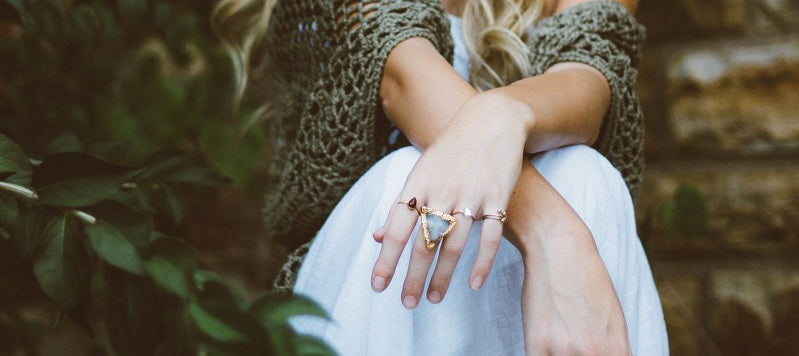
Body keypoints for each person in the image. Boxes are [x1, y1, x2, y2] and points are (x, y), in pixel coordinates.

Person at [213, 0, 668, 354]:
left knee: (582, 171)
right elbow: (402, 78)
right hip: (368, 275)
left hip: (498, 274)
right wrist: (555, 232)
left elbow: (588, 82)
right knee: (410, 173)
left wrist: (502, 114)